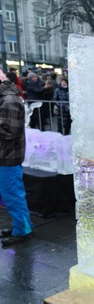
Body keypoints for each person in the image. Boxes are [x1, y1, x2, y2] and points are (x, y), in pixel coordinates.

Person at [0, 71, 34, 246]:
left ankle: (22, 230)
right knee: (11, 194)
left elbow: (9, 132)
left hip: (8, 155)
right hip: (6, 154)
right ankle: (21, 226)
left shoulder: (9, 100)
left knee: (12, 195)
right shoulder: (6, 98)